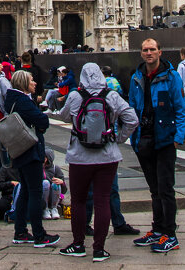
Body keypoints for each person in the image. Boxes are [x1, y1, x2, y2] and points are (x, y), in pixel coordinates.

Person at [51, 61, 138, 262]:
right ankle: (99, 249)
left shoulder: (74, 96)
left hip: (80, 157)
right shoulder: (112, 96)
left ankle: (78, 244)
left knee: (79, 201)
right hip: (108, 156)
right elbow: (132, 119)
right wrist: (118, 138)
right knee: (102, 201)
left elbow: (63, 116)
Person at [128, 38, 185, 254]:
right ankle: (157, 230)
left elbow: (181, 108)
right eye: (145, 50)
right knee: (154, 189)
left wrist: (177, 137)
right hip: (144, 138)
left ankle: (170, 234)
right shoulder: (137, 77)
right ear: (141, 53)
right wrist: (131, 136)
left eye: (152, 49)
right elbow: (132, 107)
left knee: (165, 189)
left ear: (160, 52)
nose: (149, 53)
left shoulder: (171, 77)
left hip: (164, 138)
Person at [3, 69, 59, 248]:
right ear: (23, 83)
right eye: (32, 80)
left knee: (26, 191)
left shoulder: (12, 99)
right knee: (35, 192)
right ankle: (39, 235)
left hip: (19, 149)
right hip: (30, 150)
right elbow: (43, 122)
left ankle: (20, 232)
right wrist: (40, 121)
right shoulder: (22, 101)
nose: (35, 83)